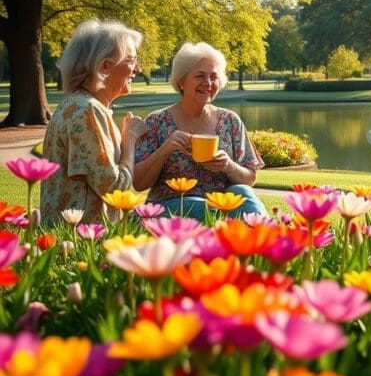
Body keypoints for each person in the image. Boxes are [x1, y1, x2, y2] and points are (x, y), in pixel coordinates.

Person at [134, 42, 267, 218]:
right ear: (181, 81)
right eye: (200, 76)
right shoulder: (157, 121)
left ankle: (269, 239)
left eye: (214, 77)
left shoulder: (231, 121)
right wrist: (165, 150)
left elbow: (250, 178)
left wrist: (229, 166)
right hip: (171, 206)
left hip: (218, 204)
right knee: (206, 209)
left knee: (243, 192)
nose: (208, 83)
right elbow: (139, 183)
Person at [41, 20, 146, 224]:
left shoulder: (75, 104)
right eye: (132, 60)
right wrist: (130, 140)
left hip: (71, 238)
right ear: (105, 66)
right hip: (81, 242)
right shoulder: (87, 110)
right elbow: (114, 188)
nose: (138, 69)